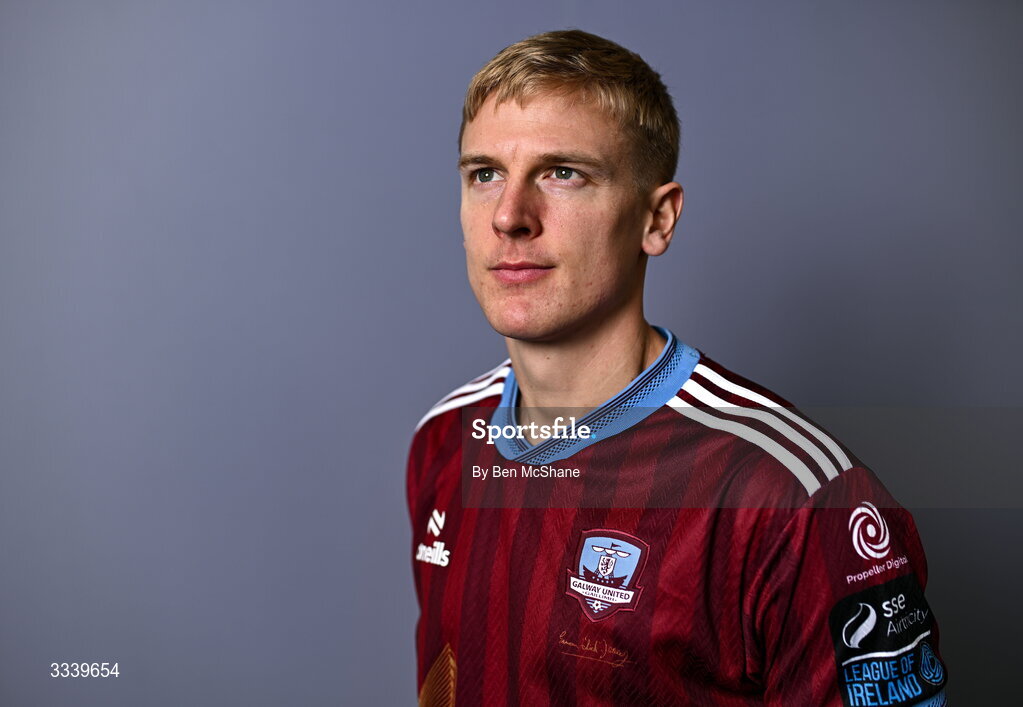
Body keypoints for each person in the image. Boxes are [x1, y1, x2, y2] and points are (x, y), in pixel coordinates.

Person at [408, 29, 948, 706]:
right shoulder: (444, 439)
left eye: (563, 173)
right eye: (484, 174)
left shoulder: (800, 500)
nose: (510, 216)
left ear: (657, 220)